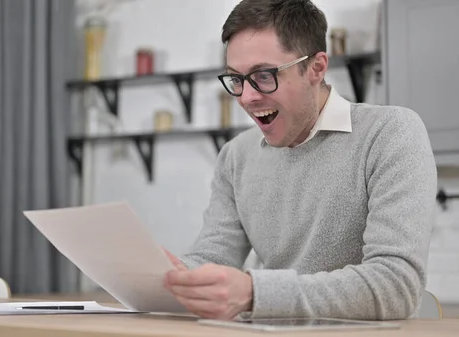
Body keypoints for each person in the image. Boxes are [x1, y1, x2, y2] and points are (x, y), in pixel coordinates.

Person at [162, 0, 437, 321]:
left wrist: (254, 293)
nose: (247, 97)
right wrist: (172, 276)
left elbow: (395, 285)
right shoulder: (236, 156)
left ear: (317, 68)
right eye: (236, 79)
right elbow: (213, 257)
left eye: (264, 76)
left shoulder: (389, 133)